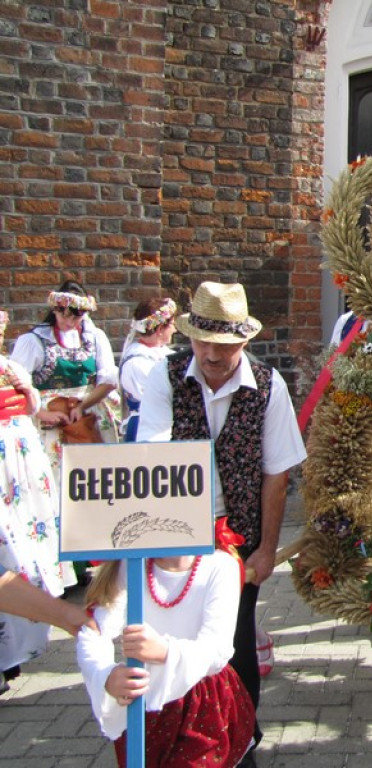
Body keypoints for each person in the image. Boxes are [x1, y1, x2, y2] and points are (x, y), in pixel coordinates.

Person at [136, 281, 306, 766]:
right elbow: (152, 454)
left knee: (235, 643)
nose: (211, 354)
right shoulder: (166, 377)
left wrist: (267, 549)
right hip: (175, 536)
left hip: (239, 540)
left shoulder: (269, 386)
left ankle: (240, 739)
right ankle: (180, 737)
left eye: (224, 344)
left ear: (244, 341)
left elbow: (277, 473)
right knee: (176, 637)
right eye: (202, 341)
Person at [77, 550, 256, 766]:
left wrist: (165, 651)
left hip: (203, 704)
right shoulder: (130, 564)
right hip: (145, 700)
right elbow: (96, 631)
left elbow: (217, 648)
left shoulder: (220, 565)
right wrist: (106, 675)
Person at [0, 309, 67, 693]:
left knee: (20, 552)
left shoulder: (10, 368)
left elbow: (30, 407)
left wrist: (27, 393)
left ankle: (15, 651)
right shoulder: (29, 346)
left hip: (19, 466)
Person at [11, 280, 121, 483]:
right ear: (55, 310)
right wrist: (42, 414)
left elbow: (109, 381)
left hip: (88, 411)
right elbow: (16, 386)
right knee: (54, 476)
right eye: (64, 315)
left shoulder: (95, 338)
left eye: (76, 317)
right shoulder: (34, 341)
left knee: (94, 474)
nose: (70, 322)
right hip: (49, 417)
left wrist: (83, 406)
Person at [119, 298, 177, 442]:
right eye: (172, 325)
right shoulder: (137, 362)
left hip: (164, 425)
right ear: (160, 329)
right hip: (146, 428)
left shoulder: (164, 353)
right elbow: (159, 398)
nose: (175, 330)